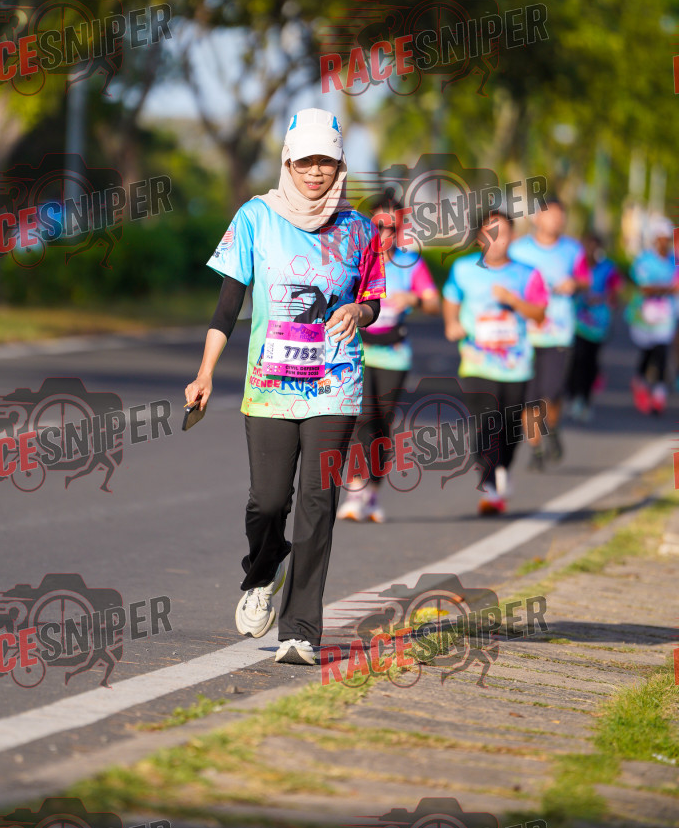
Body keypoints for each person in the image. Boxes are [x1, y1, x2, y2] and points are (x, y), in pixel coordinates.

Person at [184, 109, 385, 666]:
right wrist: (205, 373)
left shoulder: (360, 230)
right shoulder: (255, 217)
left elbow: (373, 300)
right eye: (305, 161)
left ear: (340, 166)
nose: (315, 172)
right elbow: (228, 306)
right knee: (269, 501)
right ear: (287, 163)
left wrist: (358, 312)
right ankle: (263, 570)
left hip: (335, 382)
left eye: (326, 162)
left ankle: (300, 630)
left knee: (318, 502)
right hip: (270, 385)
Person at [338, 194, 440, 523]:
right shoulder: (355, 260)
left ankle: (373, 493)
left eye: (391, 228)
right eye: (377, 227)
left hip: (393, 354)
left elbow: (433, 303)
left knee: (381, 424)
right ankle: (356, 489)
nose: (383, 234)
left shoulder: (411, 264)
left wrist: (415, 299)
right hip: (357, 351)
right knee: (361, 418)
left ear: (401, 230)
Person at [442, 209, 548, 515]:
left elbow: (540, 313)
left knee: (511, 425)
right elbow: (451, 298)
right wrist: (452, 323)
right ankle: (489, 484)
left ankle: (503, 469)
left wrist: (513, 300)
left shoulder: (528, 273)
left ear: (513, 236)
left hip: (516, 365)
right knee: (486, 423)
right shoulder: (463, 269)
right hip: (477, 362)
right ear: (479, 238)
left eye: (503, 233)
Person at [508, 197, 589, 469]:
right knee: (528, 397)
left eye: (560, 216)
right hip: (524, 333)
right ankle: (536, 451)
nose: (556, 221)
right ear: (537, 218)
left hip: (558, 333)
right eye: (550, 215)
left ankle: (552, 428)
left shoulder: (573, 250)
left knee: (552, 393)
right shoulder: (518, 249)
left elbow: (585, 280)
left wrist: (574, 283)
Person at [564, 233, 622, 422]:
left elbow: (616, 292)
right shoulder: (574, 267)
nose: (590, 251)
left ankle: (585, 399)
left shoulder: (608, 269)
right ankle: (574, 395)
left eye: (594, 247)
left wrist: (604, 299)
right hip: (575, 321)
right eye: (586, 247)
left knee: (591, 362)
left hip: (598, 324)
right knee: (576, 359)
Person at [626, 215, 679, 415]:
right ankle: (639, 381)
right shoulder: (644, 260)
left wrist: (666, 290)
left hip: (666, 316)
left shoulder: (675, 261)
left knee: (662, 352)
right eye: (660, 238)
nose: (664, 242)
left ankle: (659, 392)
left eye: (667, 238)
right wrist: (668, 289)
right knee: (648, 353)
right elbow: (645, 288)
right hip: (644, 316)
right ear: (654, 239)